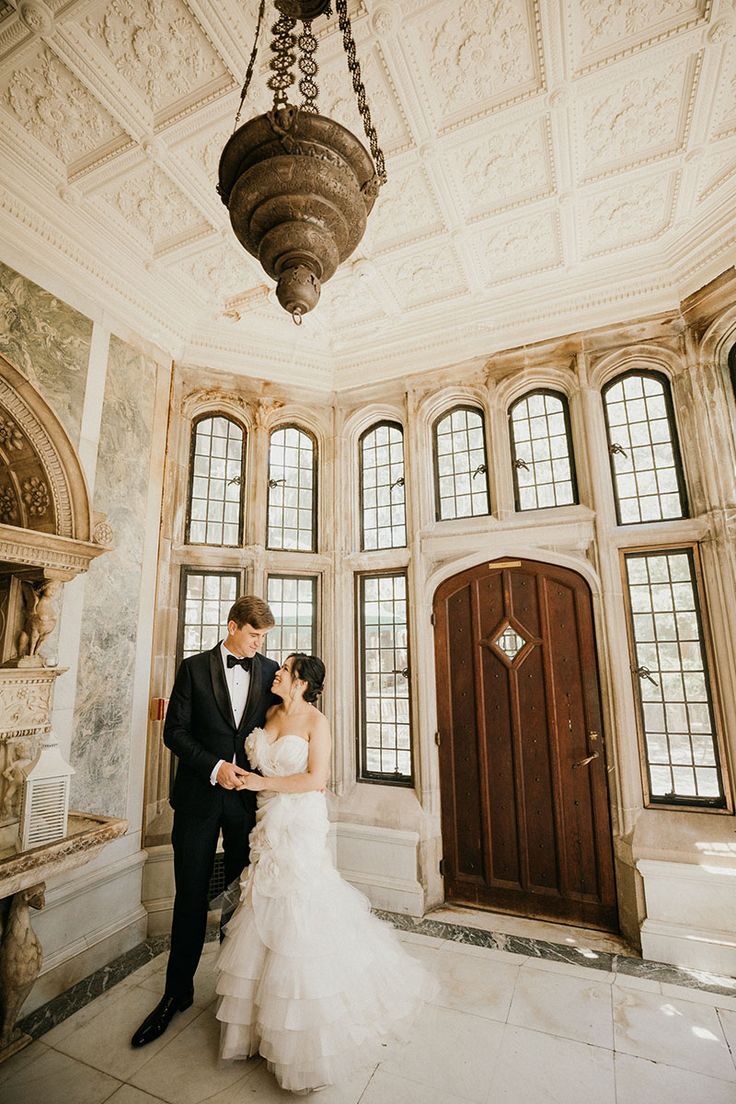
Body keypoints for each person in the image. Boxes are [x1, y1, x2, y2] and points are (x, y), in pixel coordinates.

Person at [215, 652, 437, 1094]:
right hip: (266, 819)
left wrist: (261, 783)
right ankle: (258, 1022)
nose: (276, 671)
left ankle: (305, 1033)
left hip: (299, 820)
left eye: (285, 669)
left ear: (300, 681)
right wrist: (243, 778)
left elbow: (317, 779)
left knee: (300, 904)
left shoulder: (317, 722)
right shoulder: (270, 711)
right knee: (262, 904)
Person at [131, 595, 279, 1048]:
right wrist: (216, 766)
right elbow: (173, 731)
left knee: (239, 899)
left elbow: (287, 725)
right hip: (198, 800)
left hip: (244, 806)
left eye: (263, 638)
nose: (257, 644)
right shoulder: (194, 668)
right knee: (190, 897)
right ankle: (176, 994)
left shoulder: (272, 671)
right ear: (232, 626)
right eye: (253, 635)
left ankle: (233, 996)